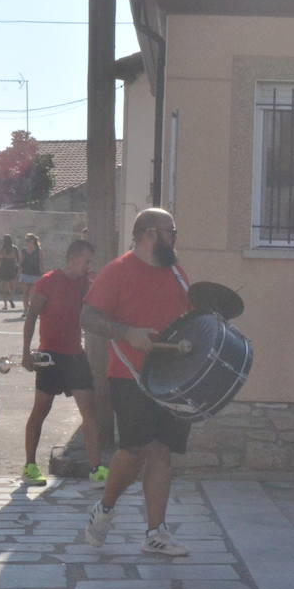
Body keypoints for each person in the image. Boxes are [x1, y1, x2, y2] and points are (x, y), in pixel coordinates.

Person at [79, 208, 192, 557]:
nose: (175, 238)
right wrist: (126, 332)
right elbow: (88, 317)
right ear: (150, 234)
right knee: (134, 451)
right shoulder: (118, 271)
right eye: (171, 231)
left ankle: (156, 533)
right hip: (130, 374)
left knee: (161, 451)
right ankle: (106, 508)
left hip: (170, 377)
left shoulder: (177, 273)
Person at [19, 239, 104, 487]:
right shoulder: (48, 281)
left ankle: (96, 469)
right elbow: (32, 315)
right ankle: (30, 466)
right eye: (86, 261)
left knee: (90, 413)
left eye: (91, 262)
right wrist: (26, 352)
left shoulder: (86, 283)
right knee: (40, 411)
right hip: (50, 356)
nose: (89, 266)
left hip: (76, 356)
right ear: (72, 258)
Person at [19, 233, 43, 312]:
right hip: (25, 273)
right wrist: (18, 270)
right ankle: (25, 310)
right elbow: (21, 262)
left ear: (33, 240)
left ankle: (31, 310)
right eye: (26, 240)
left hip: (35, 274)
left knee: (32, 294)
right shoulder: (23, 251)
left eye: (28, 240)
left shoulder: (39, 251)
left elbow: (41, 262)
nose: (27, 242)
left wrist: (43, 274)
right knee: (25, 293)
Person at [0, 235, 21, 309]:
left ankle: (5, 305)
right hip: (12, 266)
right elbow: (18, 259)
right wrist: (18, 268)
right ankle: (11, 298)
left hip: (4, 266)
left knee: (4, 287)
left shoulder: (3, 248)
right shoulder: (15, 248)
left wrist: (3, 257)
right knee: (12, 285)